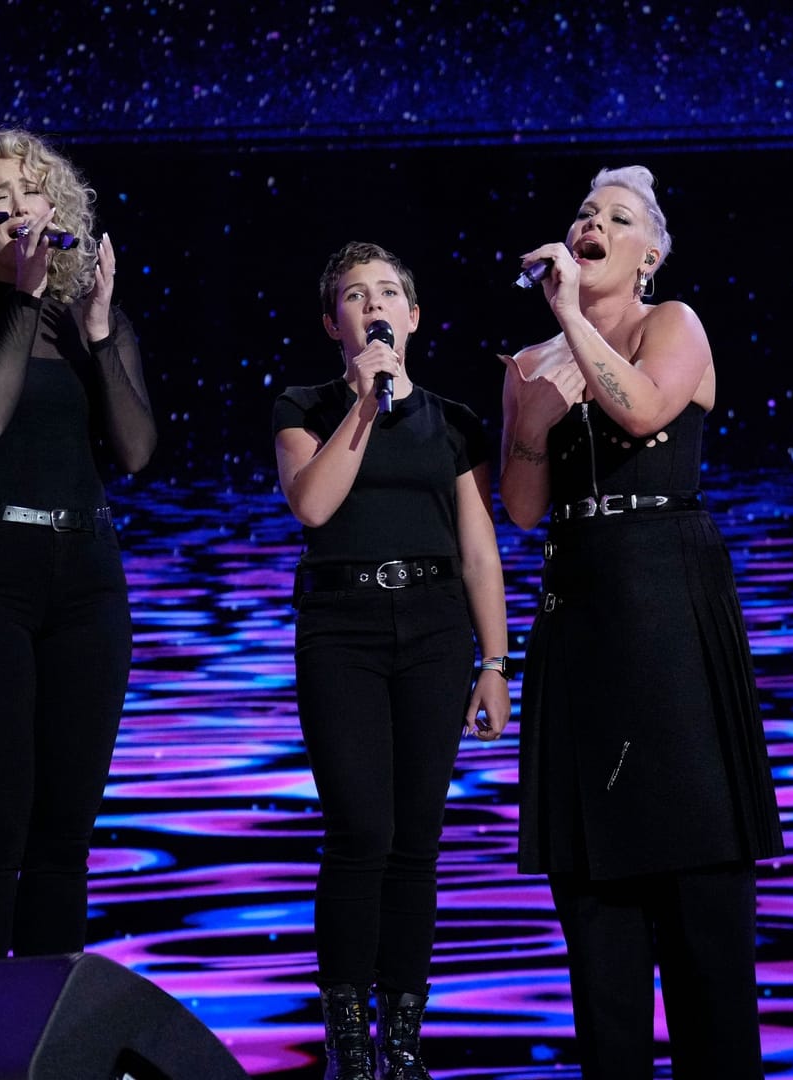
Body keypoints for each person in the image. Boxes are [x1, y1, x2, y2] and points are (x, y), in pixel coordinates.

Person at [501, 166, 783, 1080]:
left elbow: (648, 406)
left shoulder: (676, 324)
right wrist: (531, 424)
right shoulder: (532, 364)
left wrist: (572, 324)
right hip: (580, 610)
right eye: (585, 213)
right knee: (598, 908)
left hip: (668, 601)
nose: (593, 226)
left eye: (616, 219)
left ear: (649, 253)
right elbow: (524, 509)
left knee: (700, 890)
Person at [272, 241, 510, 1080]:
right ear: (334, 322)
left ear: (412, 316)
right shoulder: (303, 406)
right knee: (360, 829)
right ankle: (346, 1037)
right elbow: (313, 503)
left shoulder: (454, 422)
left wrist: (494, 661)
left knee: (417, 838)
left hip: (438, 630)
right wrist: (366, 409)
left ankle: (403, 1041)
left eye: (386, 293)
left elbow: (480, 550)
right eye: (352, 295)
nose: (371, 306)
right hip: (342, 630)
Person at [0, 129, 156, 963]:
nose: (20, 212)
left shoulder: (94, 320)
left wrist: (93, 334)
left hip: (86, 580)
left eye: (33, 194)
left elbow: (134, 453)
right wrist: (20, 300)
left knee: (64, 835)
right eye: (0, 199)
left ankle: (55, 1047)